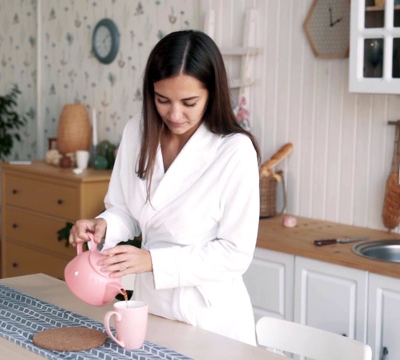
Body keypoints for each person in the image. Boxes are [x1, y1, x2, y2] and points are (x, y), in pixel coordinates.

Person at [69, 29, 261, 345]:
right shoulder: (138, 132)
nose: (174, 114)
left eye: (189, 102)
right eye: (162, 100)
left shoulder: (234, 151)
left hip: (210, 319)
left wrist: (152, 261)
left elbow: (234, 254)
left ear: (212, 93)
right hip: (150, 306)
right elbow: (125, 209)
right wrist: (103, 225)